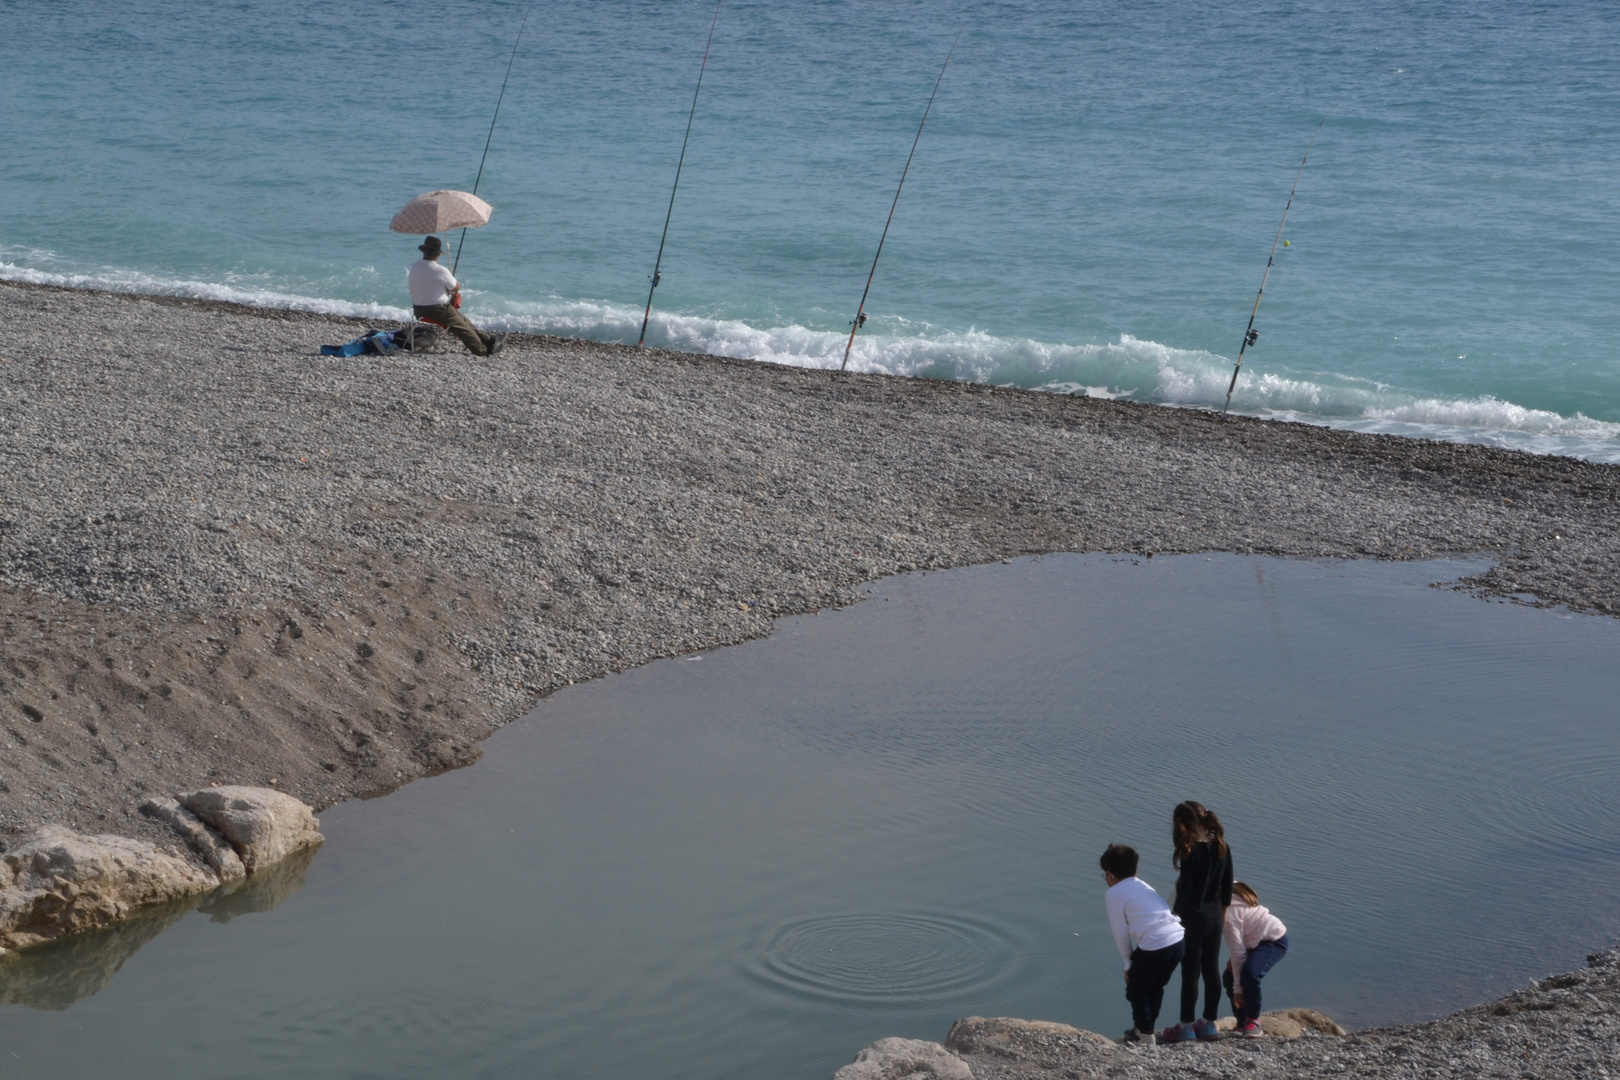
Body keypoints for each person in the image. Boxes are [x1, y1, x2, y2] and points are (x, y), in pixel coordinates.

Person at [1160, 801, 1234, 1044]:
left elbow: (1187, 892)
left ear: (1183, 825)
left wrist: (1174, 918)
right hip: (1215, 918)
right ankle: (1210, 1023)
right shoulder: (1222, 847)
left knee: (1190, 973)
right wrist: (1220, 916)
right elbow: (1226, 891)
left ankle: (1185, 1026)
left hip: (1193, 918)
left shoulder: (1189, 851)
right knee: (1211, 969)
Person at [1100, 843, 1186, 1045]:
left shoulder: (1113, 893)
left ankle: (1146, 1035)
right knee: (1155, 987)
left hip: (1156, 945)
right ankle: (1143, 1028)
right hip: (1177, 940)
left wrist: (1128, 963)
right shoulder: (1143, 885)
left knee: (1136, 990)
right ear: (1135, 870)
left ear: (1110, 875)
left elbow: (1120, 932)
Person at [408, 236, 506, 357]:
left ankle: (488, 339)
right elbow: (455, 287)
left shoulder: (415, 266)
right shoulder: (440, 270)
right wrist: (454, 281)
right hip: (437, 309)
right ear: (437, 254)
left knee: (463, 319)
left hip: (418, 310)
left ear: (424, 252)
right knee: (461, 327)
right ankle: (482, 350)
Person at [1223, 881, 1288, 1038]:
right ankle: (1241, 1022)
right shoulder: (1228, 889)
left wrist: (1238, 991)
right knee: (1228, 977)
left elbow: (1238, 954)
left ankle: (1254, 1020)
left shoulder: (1228, 915)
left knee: (1249, 974)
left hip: (1273, 939)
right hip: (1253, 941)